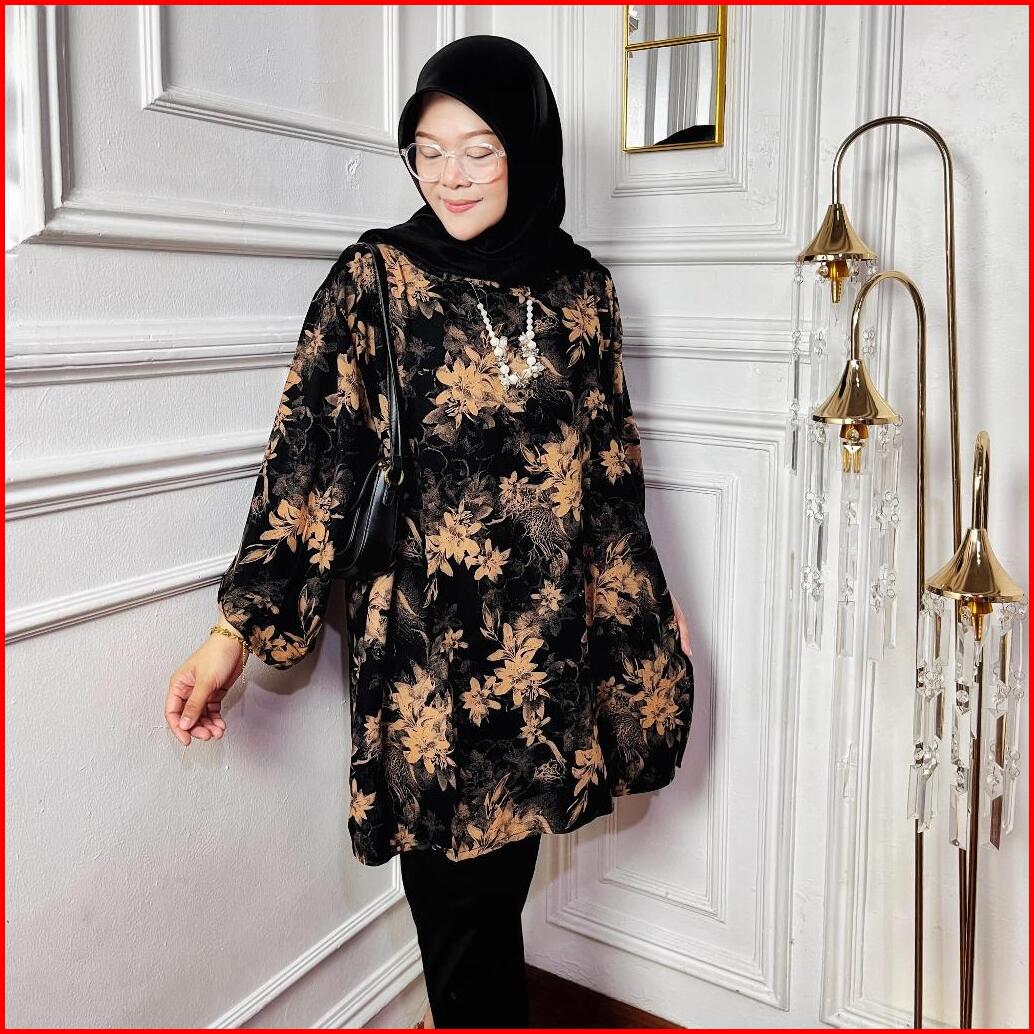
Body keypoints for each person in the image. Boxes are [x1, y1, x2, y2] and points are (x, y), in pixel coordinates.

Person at [165, 35, 695, 1030]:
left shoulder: (583, 291)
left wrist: (649, 623)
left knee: (493, 905)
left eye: (479, 149)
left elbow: (610, 475)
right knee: (461, 923)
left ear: (526, 149)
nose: (450, 175)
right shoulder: (376, 281)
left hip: (547, 653)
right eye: (428, 150)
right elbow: (311, 457)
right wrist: (233, 631)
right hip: (429, 662)